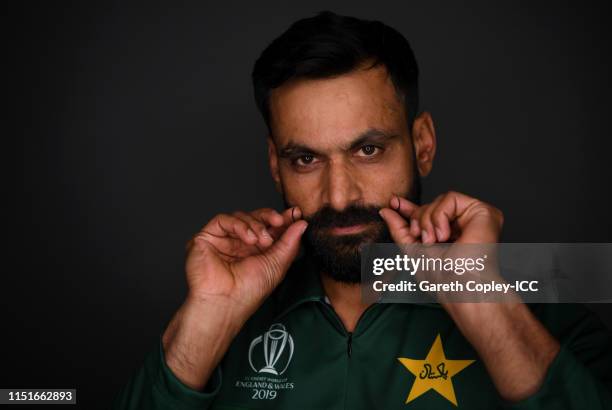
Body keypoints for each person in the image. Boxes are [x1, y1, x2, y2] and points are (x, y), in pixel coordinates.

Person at [113, 11, 612, 409]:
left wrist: (486, 305)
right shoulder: (230, 317)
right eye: (306, 159)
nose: (338, 197)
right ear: (275, 163)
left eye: (368, 150)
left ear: (422, 143)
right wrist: (206, 323)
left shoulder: (546, 317)